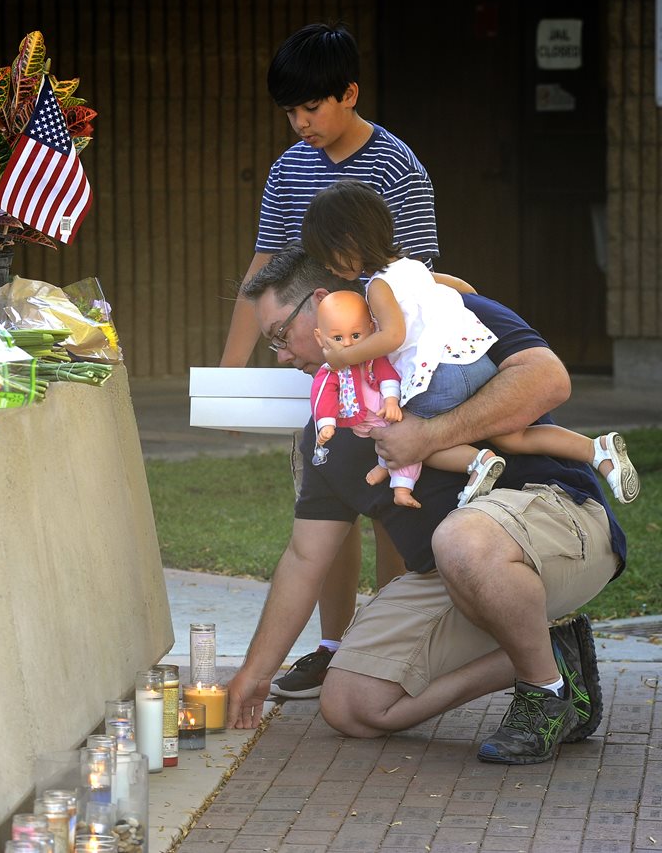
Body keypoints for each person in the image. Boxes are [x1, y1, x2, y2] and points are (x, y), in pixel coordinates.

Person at [226, 245, 626, 765]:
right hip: (453, 570)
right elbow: (305, 559)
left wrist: (429, 435)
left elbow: (548, 379)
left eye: (280, 336)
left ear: (321, 303)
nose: (281, 355)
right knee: (352, 706)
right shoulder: (324, 441)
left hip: (557, 516)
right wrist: (254, 676)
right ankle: (553, 657)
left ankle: (542, 694)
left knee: (461, 537)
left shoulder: (442, 316)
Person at [219, 21, 442, 699]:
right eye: (289, 111)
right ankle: (334, 646)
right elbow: (262, 271)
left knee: (390, 508)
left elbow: (420, 278)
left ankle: (394, 649)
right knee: (328, 505)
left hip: (384, 375)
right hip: (318, 380)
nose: (299, 123)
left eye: (311, 108)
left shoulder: (399, 167)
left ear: (349, 93)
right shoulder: (290, 169)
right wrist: (231, 374)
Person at [303, 180, 640, 506]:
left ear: (348, 242)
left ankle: (478, 464)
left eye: (328, 256)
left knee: (406, 436)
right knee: (510, 433)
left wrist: (344, 358)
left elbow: (393, 336)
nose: (328, 266)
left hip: (439, 377)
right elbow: (466, 289)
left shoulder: (377, 286)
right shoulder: (414, 267)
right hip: (477, 361)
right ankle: (597, 450)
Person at [310, 289, 495, 510]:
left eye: (356, 335)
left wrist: (390, 401)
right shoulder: (330, 372)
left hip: (394, 412)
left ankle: (406, 486)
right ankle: (386, 468)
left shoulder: (372, 358)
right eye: (338, 338)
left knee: (412, 448)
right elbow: (323, 396)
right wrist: (326, 423)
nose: (348, 344)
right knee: (389, 444)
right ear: (320, 337)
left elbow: (387, 376)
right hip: (373, 421)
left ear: (371, 329)